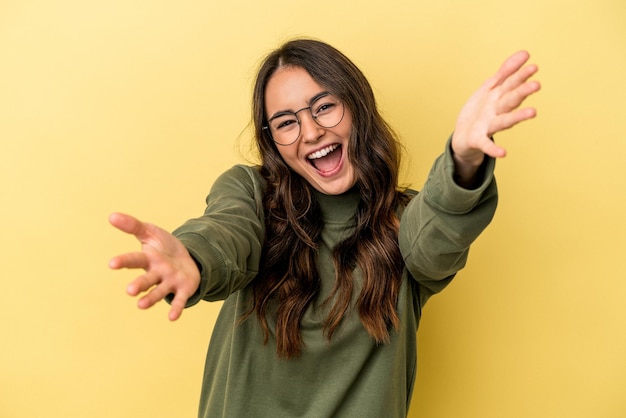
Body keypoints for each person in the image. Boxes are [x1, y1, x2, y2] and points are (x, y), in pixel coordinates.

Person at [109, 39, 540, 417]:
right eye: (286, 122)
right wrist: (194, 258)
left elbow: (438, 234)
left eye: (325, 107)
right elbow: (227, 230)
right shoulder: (252, 194)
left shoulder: (406, 221)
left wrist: (463, 158)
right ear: (272, 140)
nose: (311, 132)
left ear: (357, 107)